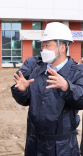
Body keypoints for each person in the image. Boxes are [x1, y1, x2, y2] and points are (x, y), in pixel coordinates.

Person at [11, 22, 83, 156]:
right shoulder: (36, 69)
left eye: (47, 45)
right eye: (42, 45)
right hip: (34, 143)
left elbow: (81, 100)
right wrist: (21, 91)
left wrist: (67, 87)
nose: (43, 49)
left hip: (62, 147)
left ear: (62, 47)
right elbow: (25, 101)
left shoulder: (77, 72)